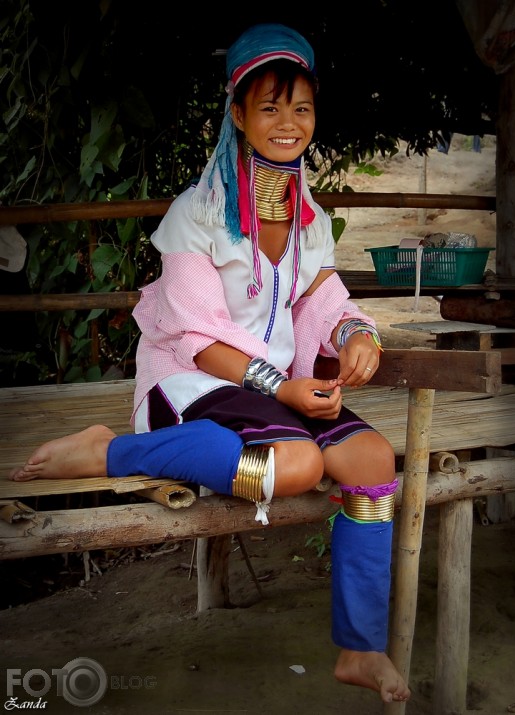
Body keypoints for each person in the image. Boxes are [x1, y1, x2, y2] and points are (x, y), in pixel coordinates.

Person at [10, 24, 410, 704]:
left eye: (301, 108)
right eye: (270, 107)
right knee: (300, 466)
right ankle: (120, 450)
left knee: (373, 464)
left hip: (272, 387)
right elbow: (197, 339)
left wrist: (352, 336)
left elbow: (323, 298)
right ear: (237, 114)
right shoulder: (197, 214)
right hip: (193, 380)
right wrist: (282, 384)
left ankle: (358, 647)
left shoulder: (307, 217)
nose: (288, 123)